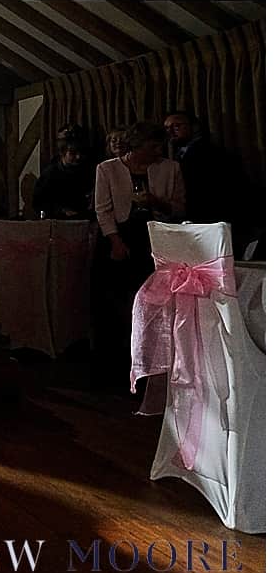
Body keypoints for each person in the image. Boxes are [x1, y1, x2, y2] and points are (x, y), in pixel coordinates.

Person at [93, 121, 185, 390]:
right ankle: (114, 370)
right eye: (152, 145)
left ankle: (152, 370)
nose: (157, 150)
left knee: (153, 304)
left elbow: (180, 209)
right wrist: (115, 241)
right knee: (116, 304)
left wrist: (155, 202)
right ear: (137, 145)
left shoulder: (170, 169)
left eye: (160, 145)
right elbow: (103, 210)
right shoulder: (107, 169)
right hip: (118, 237)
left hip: (155, 238)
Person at [33, 134, 94, 220]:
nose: (78, 157)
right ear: (62, 153)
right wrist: (61, 210)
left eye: (80, 153)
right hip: (57, 220)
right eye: (72, 153)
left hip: (81, 219)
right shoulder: (50, 174)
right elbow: (39, 202)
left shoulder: (84, 171)